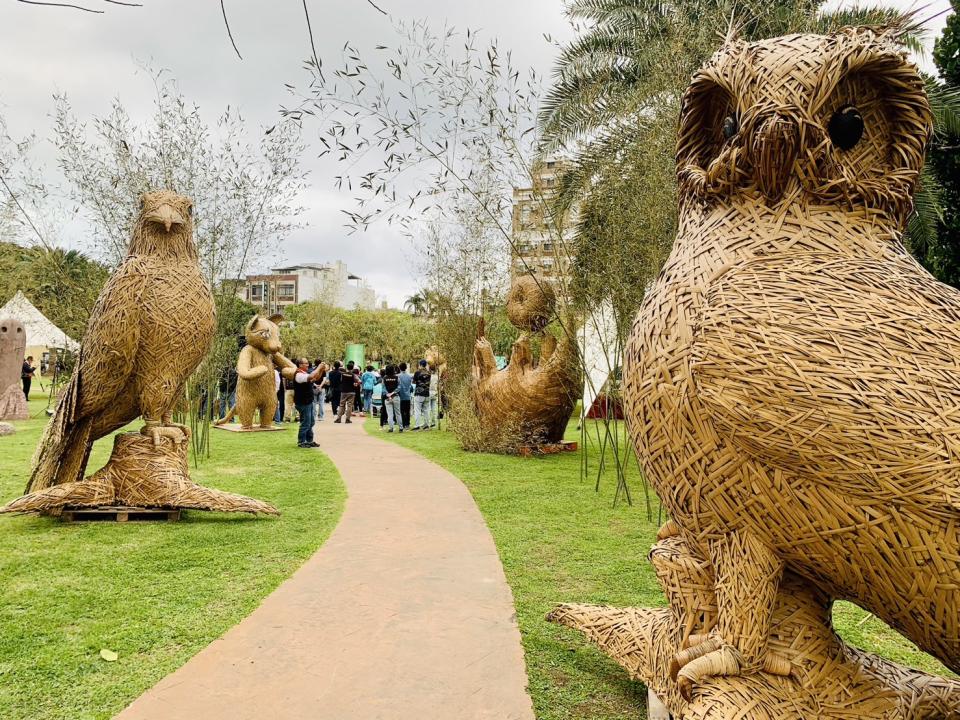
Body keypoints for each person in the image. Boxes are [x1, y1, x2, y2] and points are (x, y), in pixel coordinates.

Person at [293, 358, 325, 448]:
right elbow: (311, 376)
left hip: (308, 401)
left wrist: (321, 370)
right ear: (300, 365)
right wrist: (319, 367)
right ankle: (301, 442)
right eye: (306, 363)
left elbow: (315, 378)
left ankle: (309, 440)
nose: (308, 365)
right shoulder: (298, 374)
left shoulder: (303, 373)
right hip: (303, 402)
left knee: (311, 422)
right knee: (306, 422)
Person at [381, 365, 402, 432]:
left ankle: (391, 428)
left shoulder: (384, 378)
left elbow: (383, 388)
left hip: (387, 398)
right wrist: (392, 393)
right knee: (398, 413)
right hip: (396, 397)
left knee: (390, 414)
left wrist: (388, 394)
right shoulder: (397, 377)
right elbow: (399, 387)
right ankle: (401, 427)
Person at [412, 360, 432, 431]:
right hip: (427, 393)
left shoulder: (417, 372)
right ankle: (427, 425)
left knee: (417, 410)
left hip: (419, 393)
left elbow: (413, 381)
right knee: (426, 410)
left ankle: (417, 425)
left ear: (420, 365)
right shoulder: (429, 373)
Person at [397, 362, 413, 430]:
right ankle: (408, 424)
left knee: (402, 411)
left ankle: (403, 424)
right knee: (407, 411)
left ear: (399, 368)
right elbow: (410, 386)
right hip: (408, 396)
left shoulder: (398, 376)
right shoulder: (409, 376)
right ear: (406, 368)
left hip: (401, 396)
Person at [428, 363, 439, 428]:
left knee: (428, 408)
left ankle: (429, 422)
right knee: (434, 408)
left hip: (429, 392)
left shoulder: (429, 376)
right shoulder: (437, 377)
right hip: (435, 392)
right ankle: (434, 422)